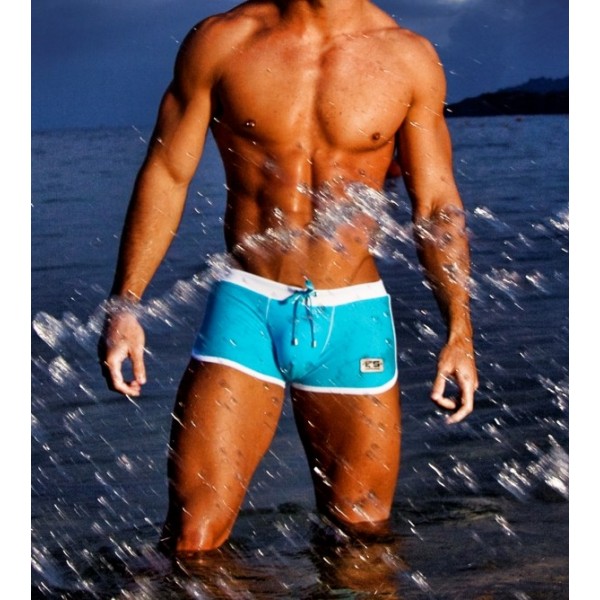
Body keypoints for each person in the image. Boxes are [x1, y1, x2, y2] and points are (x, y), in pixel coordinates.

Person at [99, 0, 478, 557]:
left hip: (352, 315)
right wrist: (125, 304)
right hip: (248, 305)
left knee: (361, 539)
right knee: (192, 539)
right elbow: (168, 173)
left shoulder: (408, 58)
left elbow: (437, 205)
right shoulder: (223, 41)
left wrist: (459, 328)